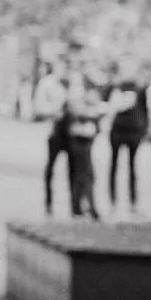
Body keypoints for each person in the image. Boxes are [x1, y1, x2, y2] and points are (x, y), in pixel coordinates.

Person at [105, 67, 149, 212]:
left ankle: (133, 201)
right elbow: (106, 103)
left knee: (132, 167)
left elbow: (144, 110)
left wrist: (143, 129)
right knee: (114, 165)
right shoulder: (115, 88)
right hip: (117, 132)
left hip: (133, 132)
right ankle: (112, 199)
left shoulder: (140, 89)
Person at [60, 73, 101, 219]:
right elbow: (80, 113)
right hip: (78, 139)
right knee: (84, 175)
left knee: (85, 175)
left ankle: (81, 207)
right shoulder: (74, 97)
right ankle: (83, 207)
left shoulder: (86, 95)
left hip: (85, 139)